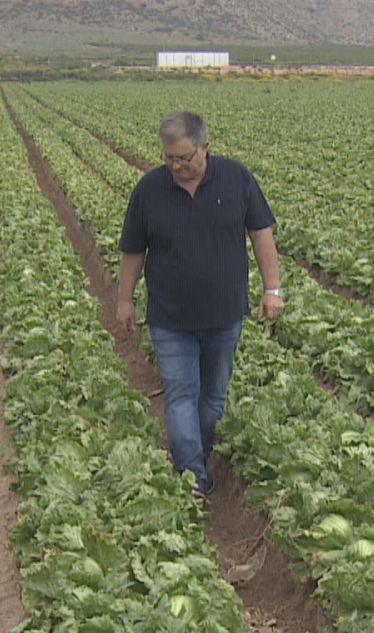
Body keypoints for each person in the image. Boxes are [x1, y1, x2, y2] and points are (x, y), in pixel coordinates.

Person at [116, 110, 283, 501]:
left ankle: (200, 453)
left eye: (185, 158)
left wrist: (272, 289)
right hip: (169, 317)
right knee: (180, 394)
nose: (176, 166)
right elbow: (132, 250)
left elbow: (261, 233)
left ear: (205, 148)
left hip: (225, 313)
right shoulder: (149, 190)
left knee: (212, 399)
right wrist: (124, 300)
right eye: (169, 158)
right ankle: (191, 474)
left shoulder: (236, 178)